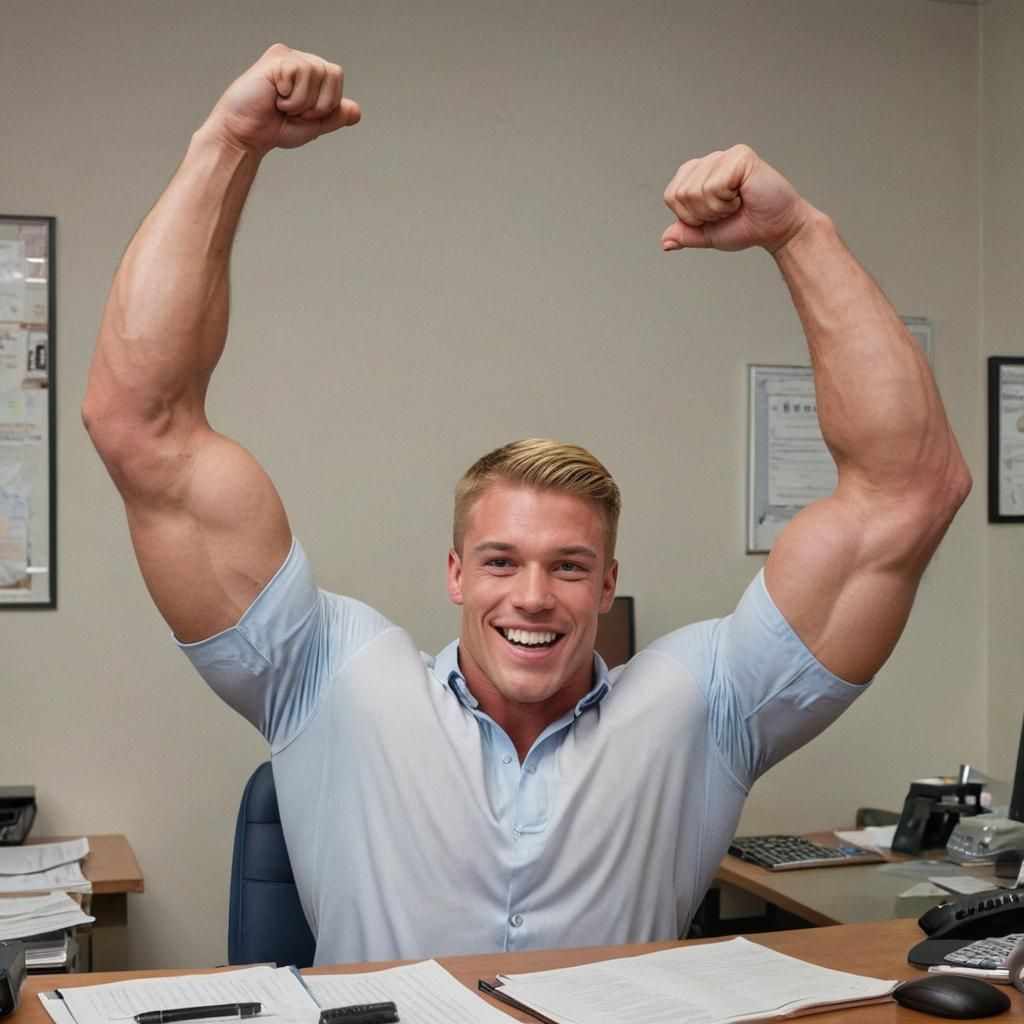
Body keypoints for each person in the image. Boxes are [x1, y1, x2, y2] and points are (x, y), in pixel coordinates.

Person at [83, 45, 971, 965]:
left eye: (570, 566)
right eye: (502, 561)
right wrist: (227, 141)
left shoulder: (702, 709)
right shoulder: (328, 683)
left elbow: (908, 494)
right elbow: (140, 427)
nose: (534, 596)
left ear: (608, 583)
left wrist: (800, 234)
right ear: (457, 573)